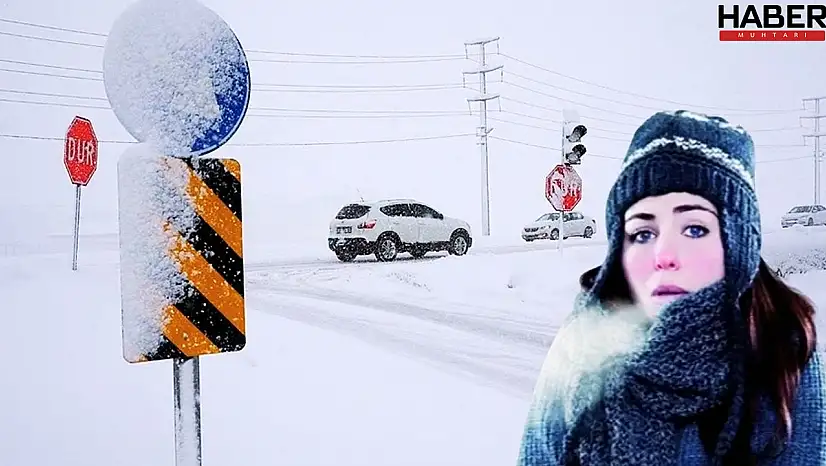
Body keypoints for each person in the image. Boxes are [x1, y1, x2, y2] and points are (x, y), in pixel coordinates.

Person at [516, 110, 826, 465]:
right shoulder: (581, 346)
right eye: (642, 234)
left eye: (694, 229)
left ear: (738, 243)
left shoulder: (783, 348)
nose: (663, 256)